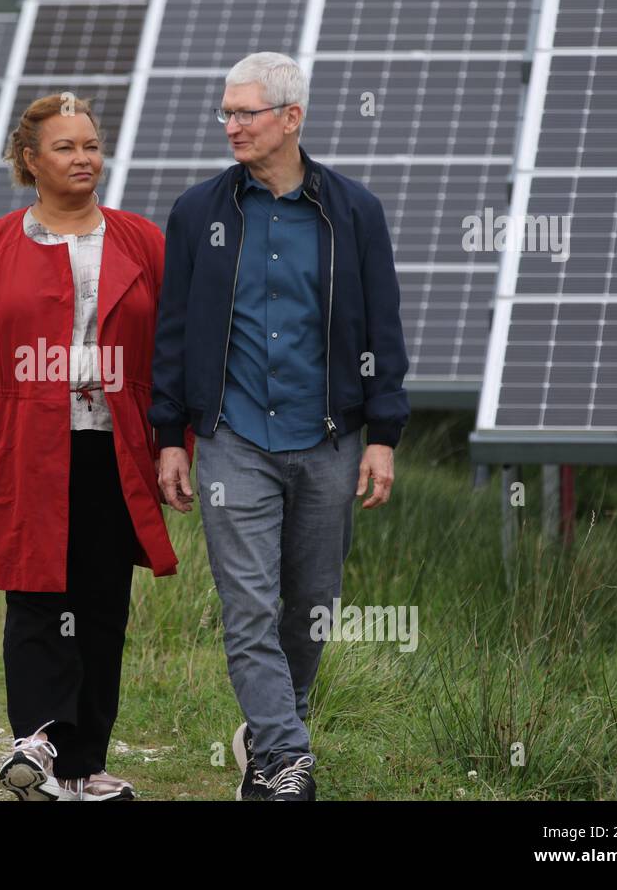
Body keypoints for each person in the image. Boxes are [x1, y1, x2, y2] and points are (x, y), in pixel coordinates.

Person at [149, 51, 410, 801]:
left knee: (313, 606)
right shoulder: (199, 212)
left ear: (290, 118)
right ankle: (291, 758)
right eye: (225, 113)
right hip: (232, 439)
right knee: (249, 604)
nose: (230, 126)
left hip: (329, 439)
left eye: (245, 114)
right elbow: (174, 331)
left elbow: (382, 330)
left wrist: (384, 434)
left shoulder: (354, 212)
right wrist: (171, 432)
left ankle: (268, 742)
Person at [0, 93, 184, 801]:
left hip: (115, 448)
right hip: (21, 447)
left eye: (92, 145)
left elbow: (173, 356)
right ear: (30, 160)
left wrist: (175, 445)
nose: (84, 159)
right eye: (66, 147)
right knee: (38, 592)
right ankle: (36, 741)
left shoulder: (141, 242)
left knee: (104, 601)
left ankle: (82, 766)